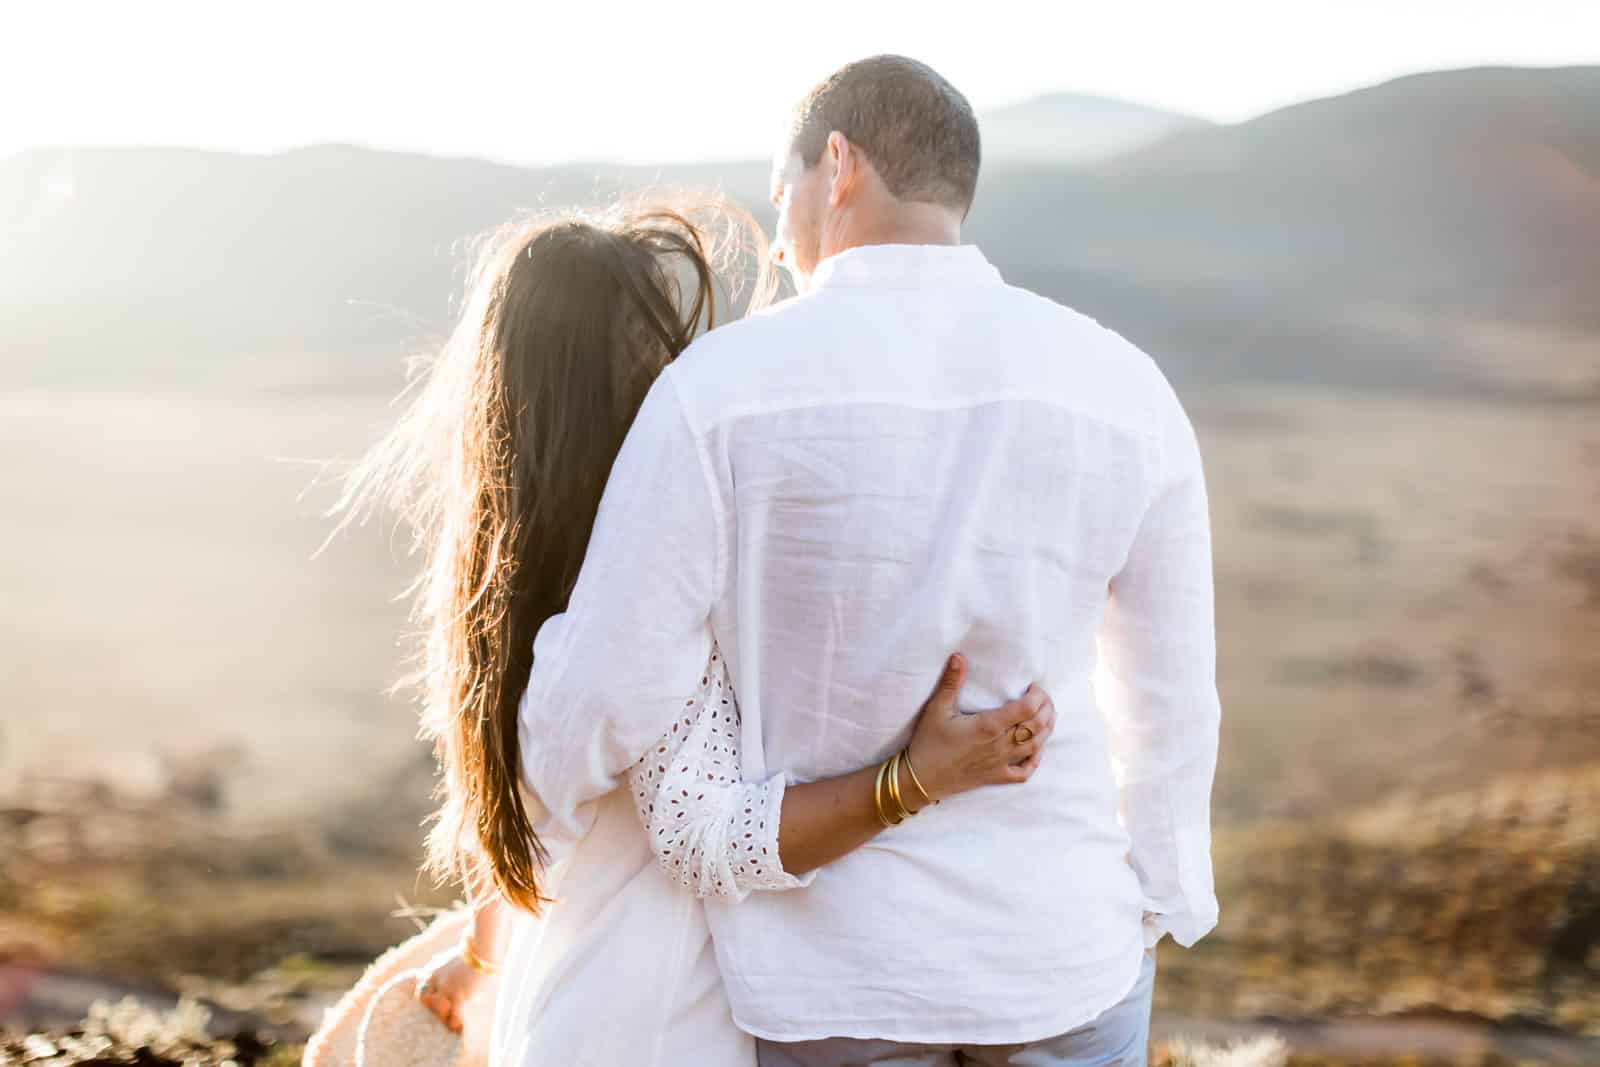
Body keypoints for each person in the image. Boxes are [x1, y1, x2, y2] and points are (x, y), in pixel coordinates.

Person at [515, 55, 1222, 1067]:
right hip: (1065, 951)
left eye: (781, 188)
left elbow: (610, 676)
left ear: (836, 165)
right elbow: (1169, 698)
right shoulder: (1124, 387)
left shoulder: (717, 391)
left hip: (836, 977)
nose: (779, 222)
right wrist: (1150, 900)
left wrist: (529, 817)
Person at [330, 199, 1060, 1067]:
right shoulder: (642, 604)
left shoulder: (508, 585)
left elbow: (531, 810)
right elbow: (711, 836)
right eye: (658, 356)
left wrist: (483, 951)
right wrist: (921, 775)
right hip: (659, 1022)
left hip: (564, 997)